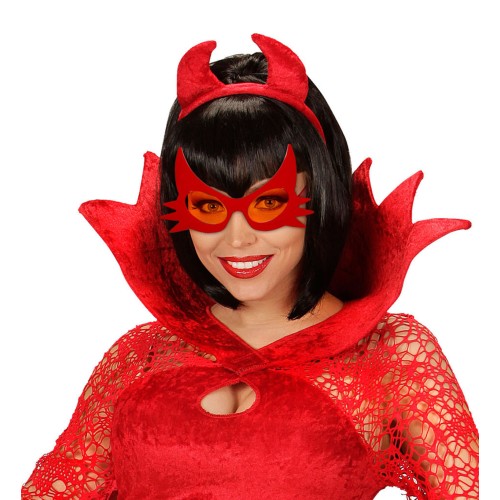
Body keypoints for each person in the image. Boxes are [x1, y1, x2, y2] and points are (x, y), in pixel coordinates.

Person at [22, 34, 478, 499]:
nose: (237, 238)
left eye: (269, 203)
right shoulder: (142, 355)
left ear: (318, 197)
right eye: (208, 207)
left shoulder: (388, 356)